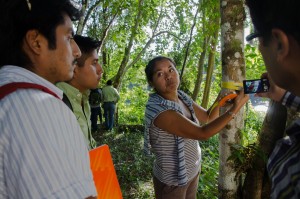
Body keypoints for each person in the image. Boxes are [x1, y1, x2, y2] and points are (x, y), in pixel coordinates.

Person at [0, 0, 97, 198]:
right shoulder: (39, 109)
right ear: (36, 42)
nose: (76, 51)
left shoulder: (9, 98)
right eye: (69, 37)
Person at [144, 56, 249, 199]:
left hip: (192, 171)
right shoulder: (159, 110)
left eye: (171, 69)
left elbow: (207, 117)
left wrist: (221, 99)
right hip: (173, 181)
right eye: (160, 74)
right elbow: (202, 133)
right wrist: (235, 109)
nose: (168, 76)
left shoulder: (181, 96)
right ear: (152, 83)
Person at [246, 0, 300, 198]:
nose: (259, 49)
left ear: (279, 43)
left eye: (257, 38)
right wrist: (283, 95)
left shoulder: (294, 173)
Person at [57, 35, 103, 149]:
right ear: (75, 68)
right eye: (94, 63)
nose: (100, 69)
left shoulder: (83, 99)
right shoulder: (57, 102)